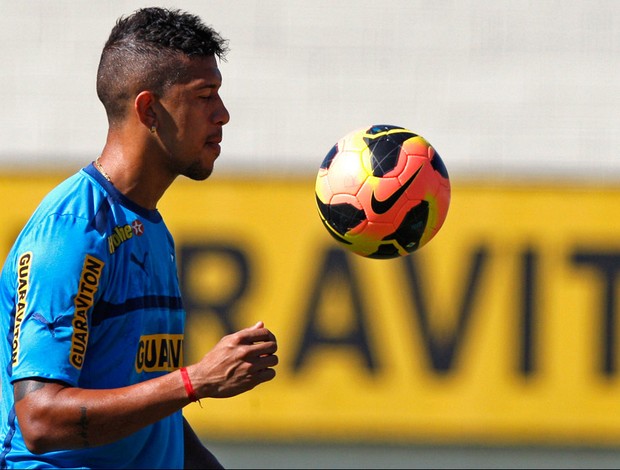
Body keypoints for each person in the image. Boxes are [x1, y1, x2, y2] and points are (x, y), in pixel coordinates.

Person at [0, 7, 278, 469]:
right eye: (205, 96)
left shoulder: (150, 228)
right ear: (149, 109)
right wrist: (194, 381)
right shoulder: (72, 232)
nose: (223, 114)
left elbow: (151, 415)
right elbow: (39, 420)